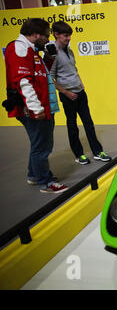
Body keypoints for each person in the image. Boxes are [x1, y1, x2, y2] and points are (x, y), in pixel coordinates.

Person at [4, 18, 68, 193]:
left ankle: (34, 175)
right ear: (35, 34)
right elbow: (23, 81)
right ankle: (45, 182)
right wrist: (36, 108)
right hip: (33, 109)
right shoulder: (20, 48)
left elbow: (41, 76)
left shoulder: (31, 51)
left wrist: (49, 58)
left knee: (38, 143)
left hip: (42, 106)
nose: (47, 40)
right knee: (42, 146)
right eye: (46, 36)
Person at [50, 21, 111, 165]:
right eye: (66, 35)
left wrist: (81, 85)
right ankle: (79, 155)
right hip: (68, 96)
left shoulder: (69, 51)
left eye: (70, 35)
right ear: (56, 34)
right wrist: (66, 92)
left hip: (80, 93)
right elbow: (50, 78)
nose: (69, 38)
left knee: (89, 123)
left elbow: (74, 70)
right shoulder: (52, 54)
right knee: (72, 126)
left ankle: (97, 152)